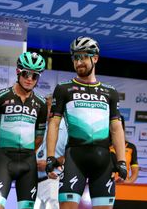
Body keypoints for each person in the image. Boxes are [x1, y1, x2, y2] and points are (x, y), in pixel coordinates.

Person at [45, 36, 127, 209]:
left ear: (95, 58)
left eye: (83, 56)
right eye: (75, 57)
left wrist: (121, 161)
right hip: (74, 159)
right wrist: (50, 156)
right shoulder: (63, 89)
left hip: (103, 161)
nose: (79, 62)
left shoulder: (110, 92)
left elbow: (116, 127)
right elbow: (53, 124)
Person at [0, 51, 48, 209]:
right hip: (4, 160)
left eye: (35, 76)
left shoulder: (41, 103)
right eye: (26, 74)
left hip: (28, 163)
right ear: (18, 72)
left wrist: (27, 152)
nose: (29, 79)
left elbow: (40, 136)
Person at [34, 95, 68, 209]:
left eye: (47, 106)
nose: (43, 110)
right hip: (34, 183)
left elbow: (71, 156)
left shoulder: (67, 128)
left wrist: (50, 163)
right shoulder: (39, 127)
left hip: (54, 182)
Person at [110, 115, 139, 184]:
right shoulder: (104, 146)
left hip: (124, 186)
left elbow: (135, 172)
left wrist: (127, 182)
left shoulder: (131, 147)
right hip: (105, 185)